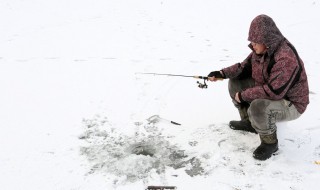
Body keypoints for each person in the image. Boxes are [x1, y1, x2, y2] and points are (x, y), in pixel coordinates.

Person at [207, 14, 309, 160]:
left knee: (258, 107)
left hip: (291, 103)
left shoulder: (286, 59)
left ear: (267, 40)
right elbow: (243, 68)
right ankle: (249, 122)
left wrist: (243, 96)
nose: (252, 44)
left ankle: (270, 143)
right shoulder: (260, 51)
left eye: (255, 41)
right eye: (251, 40)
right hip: (272, 90)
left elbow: (274, 92)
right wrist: (222, 73)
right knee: (235, 82)